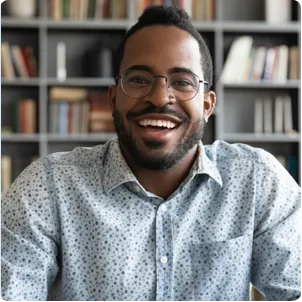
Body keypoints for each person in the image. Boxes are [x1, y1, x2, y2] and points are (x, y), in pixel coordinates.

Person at [1, 5, 301, 302]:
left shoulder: (257, 179)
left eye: (182, 82)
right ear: (113, 97)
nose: (159, 98)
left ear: (208, 105)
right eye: (139, 80)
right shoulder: (48, 188)